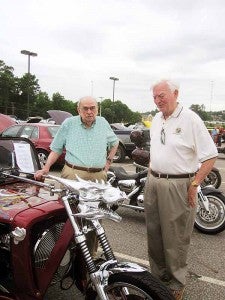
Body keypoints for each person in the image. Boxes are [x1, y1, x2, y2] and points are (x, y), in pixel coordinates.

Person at [144, 79, 218, 300]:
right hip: (153, 181)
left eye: (162, 96)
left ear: (175, 93)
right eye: (155, 97)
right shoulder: (157, 119)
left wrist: (195, 184)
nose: (157, 101)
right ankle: (157, 278)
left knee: (175, 237)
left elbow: (211, 155)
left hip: (178, 184)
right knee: (154, 234)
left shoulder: (190, 119)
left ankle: (176, 283)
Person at [35, 96, 119, 254]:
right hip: (73, 174)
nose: (89, 112)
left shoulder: (103, 123)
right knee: (69, 217)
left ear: (97, 109)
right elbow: (56, 148)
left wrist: (108, 163)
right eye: (85, 108)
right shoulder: (69, 124)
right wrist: (46, 168)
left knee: (94, 218)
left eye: (92, 108)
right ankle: (66, 256)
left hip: (97, 177)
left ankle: (90, 258)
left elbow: (114, 143)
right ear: (78, 110)